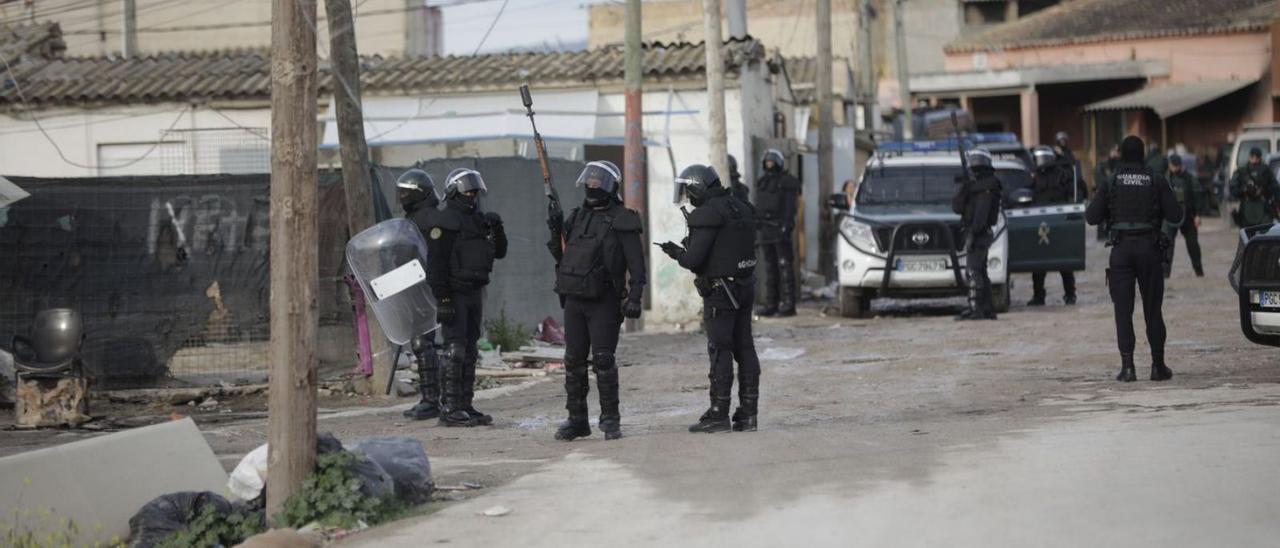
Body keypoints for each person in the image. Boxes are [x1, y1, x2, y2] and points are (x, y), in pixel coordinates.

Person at [546, 161, 646, 441]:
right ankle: (577, 420)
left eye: (598, 182)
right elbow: (563, 257)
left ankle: (610, 420)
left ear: (610, 187)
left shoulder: (623, 218)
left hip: (604, 300)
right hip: (575, 299)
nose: (592, 186)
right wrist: (555, 230)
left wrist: (635, 297)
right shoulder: (577, 217)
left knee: (603, 360)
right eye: (589, 182)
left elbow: (637, 265)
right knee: (573, 361)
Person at [659, 164, 762, 433]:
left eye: (690, 192)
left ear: (697, 187)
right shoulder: (740, 206)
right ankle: (749, 414)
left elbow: (694, 260)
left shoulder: (706, 214)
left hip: (720, 292)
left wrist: (676, 253)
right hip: (745, 285)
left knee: (720, 349)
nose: (689, 198)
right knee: (745, 348)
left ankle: (719, 413)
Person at [1085, 135, 1181, 382]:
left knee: (1123, 311)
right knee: (1153, 310)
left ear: (1121, 155)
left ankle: (1128, 368)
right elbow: (1176, 215)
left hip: (1122, 251)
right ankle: (1158, 367)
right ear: (1143, 155)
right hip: (1149, 250)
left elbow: (1092, 217)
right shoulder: (1156, 180)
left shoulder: (1111, 181)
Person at [425, 168, 507, 426]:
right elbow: (436, 264)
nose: (472, 196)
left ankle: (465, 404)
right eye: (467, 191)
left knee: (470, 350)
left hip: (473, 292)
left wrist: (498, 228)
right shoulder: (445, 221)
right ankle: (449, 408)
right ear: (454, 192)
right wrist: (444, 299)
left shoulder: (479, 221)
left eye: (474, 191)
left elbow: (499, 253)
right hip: (454, 293)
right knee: (455, 350)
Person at [396, 169, 447, 420]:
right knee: (424, 344)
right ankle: (438, 399)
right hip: (418, 288)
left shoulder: (429, 219)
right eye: (401, 191)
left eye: (407, 192)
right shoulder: (412, 219)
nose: (403, 196)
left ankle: (434, 400)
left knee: (425, 344)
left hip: (430, 288)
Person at [951, 148, 1002, 320]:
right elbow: (957, 208)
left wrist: (973, 233)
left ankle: (977, 308)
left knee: (973, 271)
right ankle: (986, 308)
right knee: (980, 271)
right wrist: (964, 189)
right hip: (972, 231)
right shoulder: (973, 185)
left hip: (979, 232)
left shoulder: (988, 185)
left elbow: (981, 214)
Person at [1027, 146, 1078, 306]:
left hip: (1058, 221)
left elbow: (1075, 193)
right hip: (1039, 221)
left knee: (1064, 262)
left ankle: (1070, 294)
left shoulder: (1061, 175)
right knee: (1038, 263)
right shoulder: (1033, 176)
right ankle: (1038, 295)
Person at [753, 149, 800, 317]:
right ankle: (771, 303)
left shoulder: (787, 182)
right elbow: (759, 204)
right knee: (770, 268)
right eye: (767, 162)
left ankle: (788, 304)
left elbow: (790, 207)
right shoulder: (762, 182)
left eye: (772, 162)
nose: (769, 164)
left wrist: (786, 226)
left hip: (779, 229)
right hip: (765, 230)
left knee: (784, 266)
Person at [1164, 154, 1204, 277]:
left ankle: (1199, 271)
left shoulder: (1190, 178)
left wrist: (1198, 215)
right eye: (1173, 166)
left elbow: (1198, 196)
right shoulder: (1165, 179)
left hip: (1188, 215)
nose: (1175, 168)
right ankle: (1165, 274)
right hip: (1170, 217)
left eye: (1177, 166)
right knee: (1166, 245)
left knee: (1193, 245)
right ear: (1169, 165)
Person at [1229, 147, 1280, 227]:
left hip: (1262, 209)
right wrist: (1244, 190)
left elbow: (1275, 189)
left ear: (1259, 158)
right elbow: (1233, 190)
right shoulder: (1242, 171)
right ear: (1250, 157)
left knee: (1259, 234)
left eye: (1256, 157)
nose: (1254, 160)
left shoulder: (1265, 171)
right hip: (1248, 210)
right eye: (1253, 157)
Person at [1094, 144, 1121, 241]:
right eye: (1115, 151)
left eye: (1118, 152)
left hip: (1116, 193)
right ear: (1111, 152)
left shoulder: (1120, 164)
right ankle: (1102, 235)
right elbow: (1099, 177)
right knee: (1102, 213)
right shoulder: (1103, 164)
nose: (1116, 153)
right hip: (1105, 192)